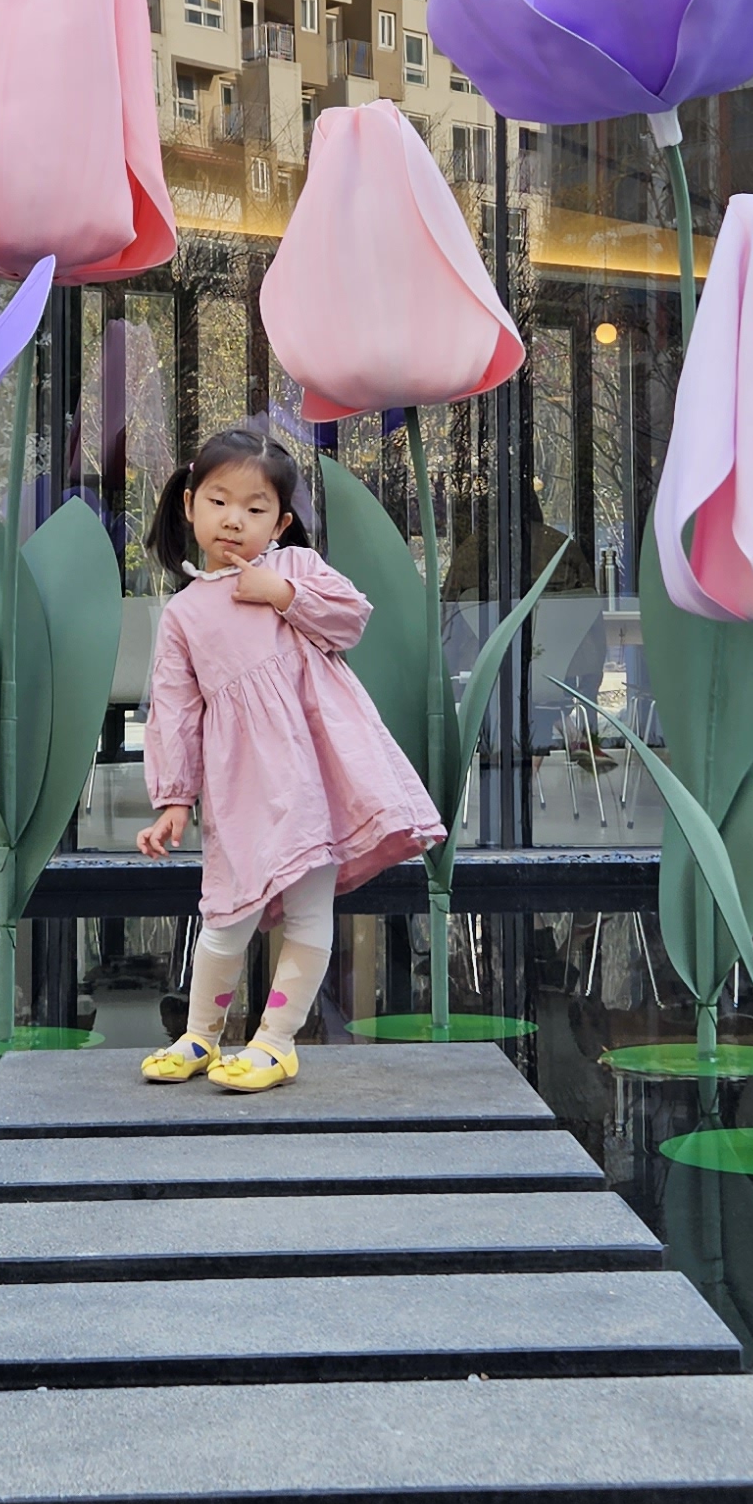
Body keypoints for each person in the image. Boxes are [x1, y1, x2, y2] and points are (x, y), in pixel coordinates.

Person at [132, 422, 439, 1093]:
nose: (233, 520)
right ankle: (201, 1035)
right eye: (218, 501)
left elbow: (350, 619)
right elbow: (175, 711)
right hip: (242, 786)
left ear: (280, 523)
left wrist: (282, 595)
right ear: (189, 505)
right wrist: (174, 799)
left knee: (307, 913)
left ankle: (275, 1041)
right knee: (226, 911)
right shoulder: (184, 614)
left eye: (255, 508)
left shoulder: (295, 570)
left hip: (316, 781)